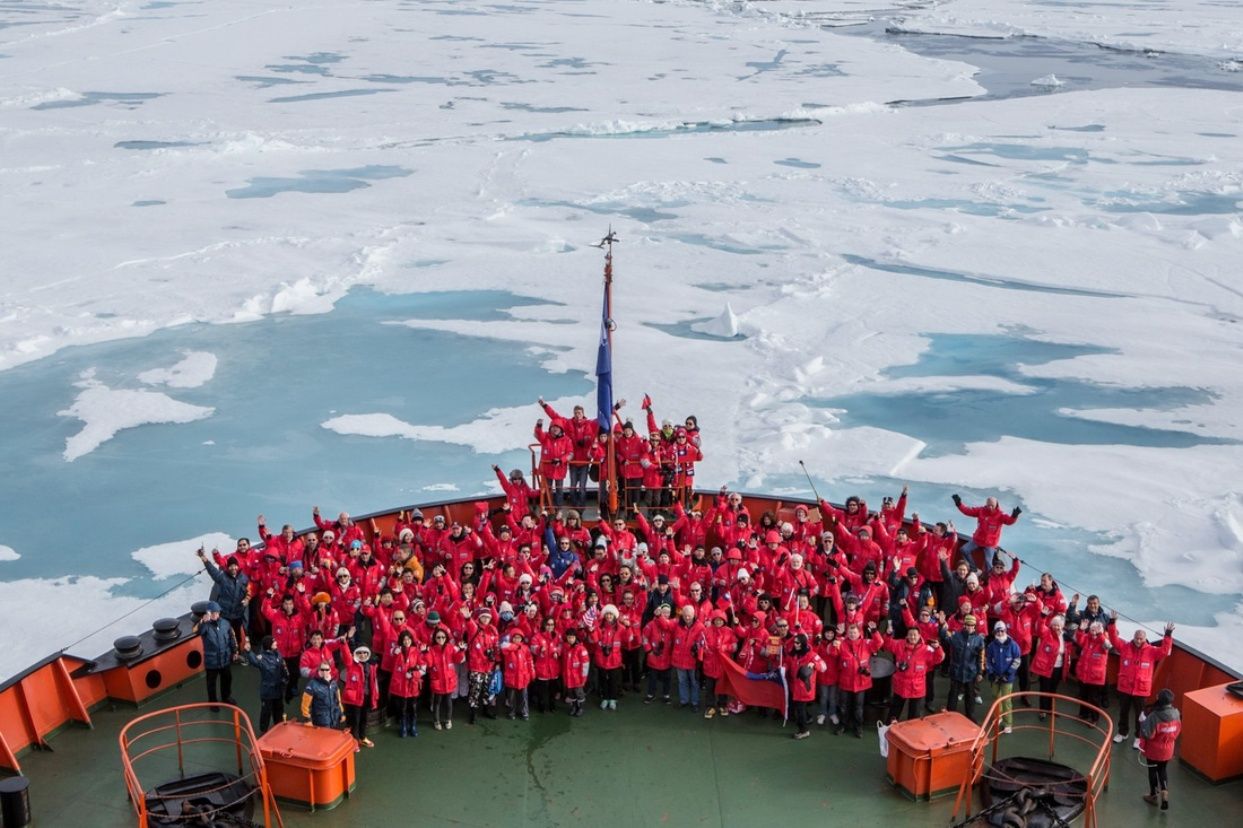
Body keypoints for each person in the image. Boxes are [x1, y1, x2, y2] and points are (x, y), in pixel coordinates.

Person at [1110, 616, 1175, 747]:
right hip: (1125, 687)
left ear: (1145, 639)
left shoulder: (1151, 651)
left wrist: (1167, 635)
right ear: (1133, 637)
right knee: (1123, 711)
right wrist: (1112, 623)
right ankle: (1122, 733)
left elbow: (1164, 651)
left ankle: (1138, 737)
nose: (1138, 641)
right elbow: (1114, 639)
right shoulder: (1125, 647)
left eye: (1141, 638)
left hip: (1141, 690)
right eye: (1137, 638)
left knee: (1140, 715)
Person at [884, 625, 943, 723]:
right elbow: (886, 644)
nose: (912, 637)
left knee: (914, 717)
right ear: (906, 636)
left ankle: (911, 734)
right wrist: (888, 634)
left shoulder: (927, 649)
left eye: (915, 635)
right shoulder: (899, 644)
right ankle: (887, 730)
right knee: (894, 712)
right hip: (900, 686)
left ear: (920, 636)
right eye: (910, 635)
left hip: (917, 689)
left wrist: (938, 648)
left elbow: (938, 659)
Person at [939, 612, 986, 722]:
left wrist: (980, 672)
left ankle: (970, 715)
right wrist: (943, 627)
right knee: (953, 694)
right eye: (968, 625)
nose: (970, 627)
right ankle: (950, 715)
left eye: (972, 625)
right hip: (956, 671)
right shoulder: (956, 636)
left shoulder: (979, 640)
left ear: (975, 626)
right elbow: (944, 638)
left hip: (971, 672)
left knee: (970, 695)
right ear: (964, 625)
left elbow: (981, 658)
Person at [1139, 688, 1181, 811]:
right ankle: (1164, 792)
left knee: (1152, 771)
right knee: (1162, 770)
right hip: (1168, 749)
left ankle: (1153, 795)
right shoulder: (1176, 714)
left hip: (1154, 750)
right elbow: (1177, 731)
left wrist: (1142, 722)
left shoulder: (1154, 716)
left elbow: (1148, 734)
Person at [197, 548, 250, 643]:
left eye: (235, 566)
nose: (233, 568)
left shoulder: (244, 578)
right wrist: (204, 558)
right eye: (231, 566)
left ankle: (237, 654)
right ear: (228, 567)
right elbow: (212, 570)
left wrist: (247, 599)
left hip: (237, 614)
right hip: (225, 615)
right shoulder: (222, 577)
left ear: (238, 566)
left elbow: (249, 591)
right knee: (225, 635)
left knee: (237, 636)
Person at [951, 494, 1020, 563]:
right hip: (978, 540)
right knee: (964, 550)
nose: (990, 507)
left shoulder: (1000, 516)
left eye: (992, 505)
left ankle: (988, 573)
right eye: (988, 505)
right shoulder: (981, 511)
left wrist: (1014, 516)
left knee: (988, 562)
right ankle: (973, 567)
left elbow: (1009, 521)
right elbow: (967, 511)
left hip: (990, 543)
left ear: (996, 505)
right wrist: (959, 504)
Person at [241, 636, 289, 733]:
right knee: (266, 712)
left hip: (278, 689)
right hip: (268, 691)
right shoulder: (262, 658)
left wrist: (285, 679)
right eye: (274, 642)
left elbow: (283, 668)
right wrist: (249, 652)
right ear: (268, 645)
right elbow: (254, 661)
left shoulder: (278, 654)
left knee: (279, 710)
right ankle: (263, 731)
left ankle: (279, 727)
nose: (276, 643)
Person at [195, 601, 238, 705]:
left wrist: (235, 650)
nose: (216, 615)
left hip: (224, 659)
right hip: (212, 661)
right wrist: (202, 621)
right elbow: (197, 631)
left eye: (217, 612)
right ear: (209, 613)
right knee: (211, 683)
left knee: (227, 679)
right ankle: (213, 702)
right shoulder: (205, 626)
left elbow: (232, 637)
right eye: (213, 613)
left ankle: (226, 697)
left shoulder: (225, 623)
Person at [1029, 615, 1071, 720]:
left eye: (1059, 625)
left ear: (1063, 626)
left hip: (1058, 667)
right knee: (1044, 689)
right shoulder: (1047, 633)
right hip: (1046, 667)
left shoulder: (1065, 637)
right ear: (1051, 625)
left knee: (1053, 690)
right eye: (1055, 625)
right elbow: (1039, 628)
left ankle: (1050, 709)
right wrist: (1042, 616)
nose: (1057, 627)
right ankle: (1042, 711)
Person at [985, 621, 1022, 733]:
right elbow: (988, 661)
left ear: (1006, 631)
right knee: (996, 697)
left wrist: (1008, 673)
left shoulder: (1013, 645)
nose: (1000, 633)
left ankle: (1008, 723)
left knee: (1006, 700)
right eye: (998, 631)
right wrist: (991, 673)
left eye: (1002, 630)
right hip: (995, 677)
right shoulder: (991, 646)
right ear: (995, 632)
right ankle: (998, 716)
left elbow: (1017, 660)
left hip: (1007, 678)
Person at [340, 644, 379, 749]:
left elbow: (373, 682)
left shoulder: (371, 666)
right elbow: (346, 655)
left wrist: (375, 696)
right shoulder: (351, 664)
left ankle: (362, 737)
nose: (362, 655)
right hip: (355, 699)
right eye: (360, 653)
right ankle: (354, 741)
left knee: (364, 719)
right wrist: (344, 644)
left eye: (364, 653)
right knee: (355, 721)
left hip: (366, 697)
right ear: (355, 654)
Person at [388, 629, 425, 738]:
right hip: (400, 687)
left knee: (413, 708)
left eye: (408, 639)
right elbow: (390, 661)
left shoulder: (417, 652)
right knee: (402, 709)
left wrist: (413, 675)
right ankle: (403, 726)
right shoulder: (396, 651)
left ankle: (412, 726)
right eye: (404, 639)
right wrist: (394, 653)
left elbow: (423, 669)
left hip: (412, 685)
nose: (406, 641)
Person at [790, 634, 827, 740]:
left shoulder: (812, 655)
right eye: (794, 642)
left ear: (803, 643)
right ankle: (803, 729)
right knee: (799, 710)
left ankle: (804, 731)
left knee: (801, 711)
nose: (795, 645)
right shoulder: (794, 654)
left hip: (805, 688)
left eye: (798, 643)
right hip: (796, 687)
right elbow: (789, 664)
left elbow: (823, 667)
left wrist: (814, 665)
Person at [502, 630, 535, 720]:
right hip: (511, 677)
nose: (517, 639)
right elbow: (504, 649)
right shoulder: (508, 647)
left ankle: (524, 712)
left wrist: (532, 672)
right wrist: (515, 647)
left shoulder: (525, 648)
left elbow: (529, 661)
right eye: (515, 637)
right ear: (512, 638)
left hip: (523, 677)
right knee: (511, 697)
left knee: (523, 697)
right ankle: (511, 712)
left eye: (519, 638)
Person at [301, 661, 345, 728]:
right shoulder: (312, 684)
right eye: (322, 669)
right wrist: (307, 720)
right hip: (320, 721)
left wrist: (341, 713)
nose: (324, 671)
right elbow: (305, 705)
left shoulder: (334, 683)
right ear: (318, 670)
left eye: (327, 669)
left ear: (330, 670)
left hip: (334, 719)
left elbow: (338, 700)